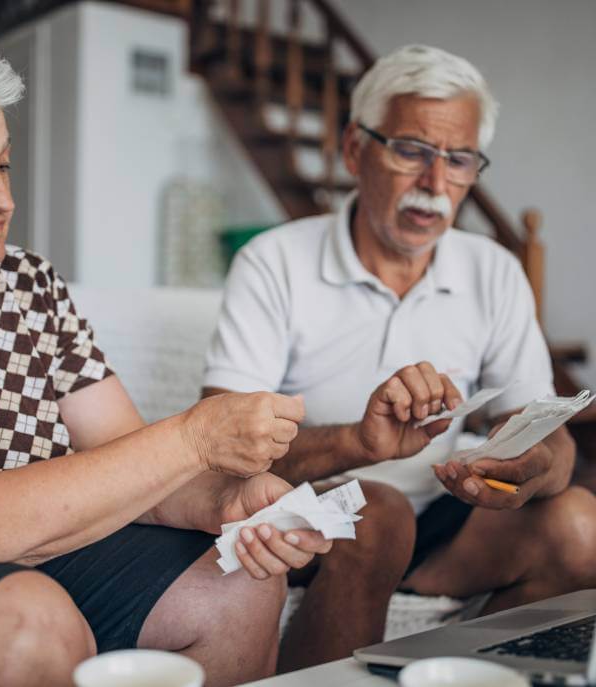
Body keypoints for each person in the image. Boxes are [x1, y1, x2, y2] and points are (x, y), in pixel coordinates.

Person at [0, 6, 335, 686]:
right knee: (31, 620)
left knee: (234, 581)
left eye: (2, 164)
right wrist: (193, 439)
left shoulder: (25, 282)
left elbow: (124, 458)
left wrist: (225, 500)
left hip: (23, 558)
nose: (1, 198)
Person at [202, 44, 596, 672]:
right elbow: (212, 448)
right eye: (411, 150)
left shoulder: (493, 270)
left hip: (445, 515)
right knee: (376, 511)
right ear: (356, 150)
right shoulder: (274, 261)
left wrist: (527, 466)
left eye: (459, 159)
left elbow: (556, 444)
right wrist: (360, 443)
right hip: (314, 510)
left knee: (579, 520)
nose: (436, 186)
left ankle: (462, 677)